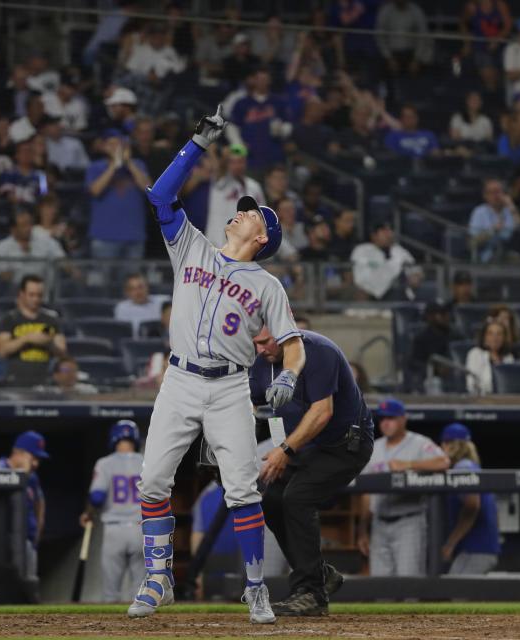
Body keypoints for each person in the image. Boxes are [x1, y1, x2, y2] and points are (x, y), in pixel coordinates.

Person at [128, 106, 305, 625]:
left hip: (229, 388)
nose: (241, 210)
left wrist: (290, 376)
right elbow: (160, 197)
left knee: (242, 491)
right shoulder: (192, 249)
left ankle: (254, 588)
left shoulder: (268, 285)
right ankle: (159, 578)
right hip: (179, 379)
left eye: (251, 213)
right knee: (153, 480)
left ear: (262, 237)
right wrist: (195, 145)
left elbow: (293, 344)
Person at [250, 326, 374, 616]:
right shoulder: (262, 363)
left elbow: (322, 412)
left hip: (345, 444)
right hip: (306, 447)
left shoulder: (319, 351)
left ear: (282, 332)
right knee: (270, 500)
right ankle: (321, 575)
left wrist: (285, 450)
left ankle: (311, 593)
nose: (260, 349)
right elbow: (248, 402)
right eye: (255, 343)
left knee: (297, 497)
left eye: (265, 342)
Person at [356, 399, 449, 576]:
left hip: (408, 521)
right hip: (379, 523)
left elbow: (443, 462)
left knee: (409, 582)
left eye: (391, 418)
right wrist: (362, 530)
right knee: (381, 587)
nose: (386, 423)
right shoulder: (373, 448)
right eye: (382, 419)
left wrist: (409, 464)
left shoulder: (419, 443)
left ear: (403, 419)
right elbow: (366, 494)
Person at [79, 421, 145, 602]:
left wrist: (88, 514)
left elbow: (97, 497)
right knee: (140, 592)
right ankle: (141, 629)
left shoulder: (105, 464)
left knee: (111, 593)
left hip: (114, 530)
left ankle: (112, 630)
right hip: (141, 529)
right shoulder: (146, 462)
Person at [0, 431, 48, 589]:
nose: (36, 464)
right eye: (33, 458)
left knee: (29, 588)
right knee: (3, 589)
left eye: (38, 459)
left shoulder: (32, 477)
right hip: (1, 543)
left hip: (27, 542)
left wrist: (38, 530)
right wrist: (23, 474)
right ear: (18, 453)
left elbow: (40, 501)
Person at [439, 423, 500, 575]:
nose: (441, 449)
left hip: (476, 549)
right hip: (479, 548)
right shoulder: (472, 466)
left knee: (456, 593)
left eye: (444, 444)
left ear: (451, 445)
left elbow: (472, 505)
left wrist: (450, 543)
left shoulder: (463, 467)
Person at [85, 129, 151, 259]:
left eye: (118, 144)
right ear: (103, 147)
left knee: (133, 279)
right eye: (111, 144)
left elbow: (149, 188)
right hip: (104, 237)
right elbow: (95, 190)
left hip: (134, 236)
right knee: (102, 279)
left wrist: (129, 163)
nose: (115, 148)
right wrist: (114, 166)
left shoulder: (137, 165)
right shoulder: (95, 167)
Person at [0, 275, 66, 387]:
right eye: (31, 295)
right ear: (22, 294)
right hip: (16, 380)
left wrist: (49, 343)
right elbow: (2, 351)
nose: (36, 299)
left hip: (44, 380)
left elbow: (62, 353)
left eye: (39, 295)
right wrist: (27, 339)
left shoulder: (51, 320)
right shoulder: (9, 319)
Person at [204, 143, 265, 247]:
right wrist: (223, 157)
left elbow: (263, 218)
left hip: (243, 247)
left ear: (245, 163)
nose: (237, 166)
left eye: (240, 162)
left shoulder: (254, 187)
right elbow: (219, 169)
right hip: (216, 245)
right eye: (232, 162)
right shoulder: (220, 181)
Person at [0, 209, 65, 283]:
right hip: (16, 291)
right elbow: (2, 275)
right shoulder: (2, 246)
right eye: (24, 225)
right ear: (13, 230)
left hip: (46, 289)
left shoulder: (44, 240)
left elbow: (62, 259)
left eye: (30, 224)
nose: (28, 228)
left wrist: (75, 273)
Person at [350, 222, 415, 300]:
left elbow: (415, 268)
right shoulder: (362, 250)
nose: (388, 235)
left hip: (395, 290)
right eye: (384, 232)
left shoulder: (399, 251)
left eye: (389, 231)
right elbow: (358, 271)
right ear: (374, 236)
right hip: (366, 292)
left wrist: (416, 276)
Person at [408, 303, 463, 393]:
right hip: (431, 380)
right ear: (430, 317)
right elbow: (414, 364)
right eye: (442, 314)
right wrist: (436, 369)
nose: (446, 317)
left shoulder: (455, 336)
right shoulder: (421, 339)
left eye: (447, 314)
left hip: (457, 375)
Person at [469, 178, 519, 263]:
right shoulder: (479, 212)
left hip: (509, 252)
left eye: (498, 191)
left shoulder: (510, 210)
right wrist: (492, 231)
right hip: (486, 255)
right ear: (485, 196)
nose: (496, 196)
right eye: (492, 192)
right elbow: (472, 242)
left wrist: (511, 206)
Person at [465, 319, 515, 395]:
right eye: (490, 333)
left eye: (499, 334)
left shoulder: (508, 357)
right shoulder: (475, 353)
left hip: (504, 399)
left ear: (504, 338)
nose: (495, 338)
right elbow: (471, 384)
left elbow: (511, 384)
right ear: (484, 337)